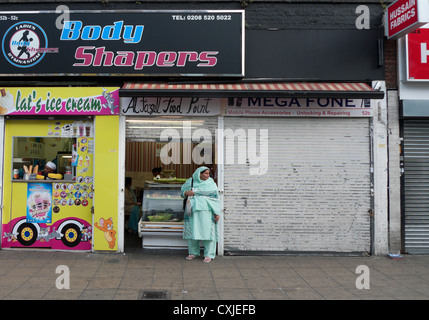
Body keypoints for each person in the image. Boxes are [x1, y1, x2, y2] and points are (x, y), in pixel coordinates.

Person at [181, 166, 220, 263]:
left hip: (207, 211)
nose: (208, 175)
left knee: (208, 233)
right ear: (199, 174)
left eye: (208, 173)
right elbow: (182, 192)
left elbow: (215, 198)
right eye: (205, 173)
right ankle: (193, 253)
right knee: (192, 232)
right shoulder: (191, 181)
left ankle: (209, 254)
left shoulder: (211, 183)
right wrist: (186, 192)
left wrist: (216, 213)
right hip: (193, 212)